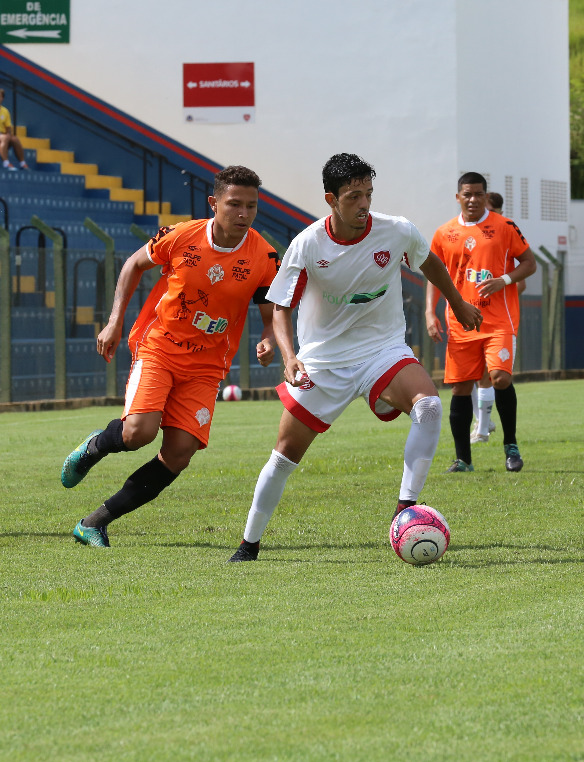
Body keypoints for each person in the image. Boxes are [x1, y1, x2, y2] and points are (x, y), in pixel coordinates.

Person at [227, 153, 483, 563]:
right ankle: (249, 543)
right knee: (283, 457)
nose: (363, 204)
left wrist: (458, 302)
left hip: (382, 350)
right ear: (331, 199)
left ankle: (405, 510)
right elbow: (280, 307)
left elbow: (430, 263)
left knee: (430, 406)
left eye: (368, 194)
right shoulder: (308, 244)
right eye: (353, 196)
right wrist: (289, 357)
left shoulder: (395, 231)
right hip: (324, 362)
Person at [60, 165, 279, 548]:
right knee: (138, 433)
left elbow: (269, 310)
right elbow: (133, 265)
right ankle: (95, 446)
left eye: (251, 206)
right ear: (214, 203)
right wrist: (113, 322)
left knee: (179, 454)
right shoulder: (182, 236)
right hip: (160, 348)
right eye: (234, 205)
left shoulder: (263, 255)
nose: (243, 214)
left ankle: (94, 522)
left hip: (207, 366)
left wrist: (267, 337)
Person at [426, 172, 537, 473]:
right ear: (458, 196)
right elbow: (435, 276)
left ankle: (511, 447)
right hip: (460, 323)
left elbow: (530, 263)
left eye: (478, 194)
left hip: (498, 321)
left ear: (486, 197)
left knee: (500, 378)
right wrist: (429, 312)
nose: (473, 199)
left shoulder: (504, 227)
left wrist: (504, 279)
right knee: (461, 388)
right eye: (467, 194)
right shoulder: (443, 233)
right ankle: (463, 459)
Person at [469, 192, 526, 444]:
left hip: (498, 319)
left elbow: (521, 283)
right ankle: (483, 422)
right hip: (472, 315)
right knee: (471, 376)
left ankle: (483, 428)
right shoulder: (471, 235)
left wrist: (500, 286)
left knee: (490, 376)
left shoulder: (505, 233)